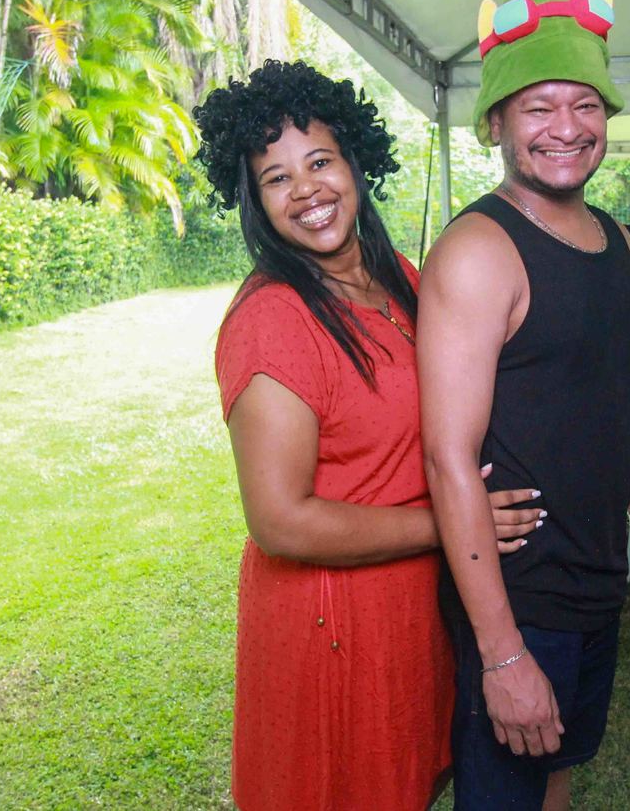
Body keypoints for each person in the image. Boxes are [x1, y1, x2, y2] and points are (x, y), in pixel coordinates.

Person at [195, 61, 545, 810]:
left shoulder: (404, 281)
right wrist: (454, 524)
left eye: (320, 161)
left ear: (356, 162)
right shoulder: (273, 319)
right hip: (330, 627)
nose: (306, 189)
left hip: (412, 612)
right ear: (254, 199)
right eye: (277, 178)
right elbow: (280, 519)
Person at [417, 0, 630, 810]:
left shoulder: (613, 240)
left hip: (596, 576)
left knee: (555, 774)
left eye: (585, 104)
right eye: (538, 107)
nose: (566, 127)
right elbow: (447, 457)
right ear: (496, 122)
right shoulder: (478, 251)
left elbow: (612, 402)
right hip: (520, 595)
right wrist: (500, 651)